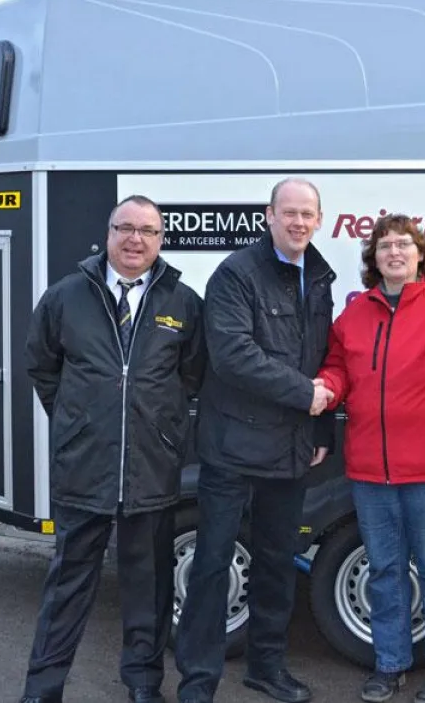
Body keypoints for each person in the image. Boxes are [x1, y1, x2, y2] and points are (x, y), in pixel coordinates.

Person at [19, 195, 206, 703]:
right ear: (108, 234)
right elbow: (42, 367)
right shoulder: (66, 297)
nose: (135, 240)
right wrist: (79, 423)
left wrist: (161, 429)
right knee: (68, 586)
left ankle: (143, 684)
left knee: (148, 586)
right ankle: (42, 688)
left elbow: (191, 378)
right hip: (85, 468)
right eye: (126, 228)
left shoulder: (183, 303)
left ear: (161, 240)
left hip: (151, 469)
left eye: (148, 231)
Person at [175, 178, 336, 703]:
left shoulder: (318, 276)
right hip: (232, 448)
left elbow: (318, 357)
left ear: (319, 220)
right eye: (289, 212)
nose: (298, 222)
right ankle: (197, 680)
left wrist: (319, 425)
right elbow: (232, 355)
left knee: (276, 564)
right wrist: (305, 396)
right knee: (212, 565)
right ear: (269, 215)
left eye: (307, 214)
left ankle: (267, 668)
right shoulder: (236, 273)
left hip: (289, 449)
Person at [315, 214, 425, 703]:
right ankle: (389, 665)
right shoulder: (354, 315)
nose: (395, 252)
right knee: (384, 572)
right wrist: (327, 388)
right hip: (370, 472)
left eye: (404, 244)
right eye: (385, 246)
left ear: (421, 254)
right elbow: (338, 368)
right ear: (374, 258)